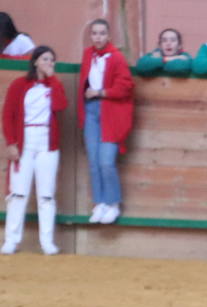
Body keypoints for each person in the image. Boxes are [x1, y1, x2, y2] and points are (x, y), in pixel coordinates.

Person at [3, 46, 66, 255]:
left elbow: (60, 105)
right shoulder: (19, 85)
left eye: (52, 60)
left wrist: (53, 79)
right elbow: (8, 115)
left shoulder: (54, 85)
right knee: (18, 193)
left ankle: (47, 242)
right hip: (24, 140)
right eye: (46, 59)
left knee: (46, 195)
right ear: (36, 61)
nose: (50, 63)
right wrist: (11, 143)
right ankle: (12, 240)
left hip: (47, 142)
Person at [80, 19, 134, 226]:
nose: (98, 37)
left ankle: (113, 203)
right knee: (93, 161)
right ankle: (99, 202)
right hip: (91, 109)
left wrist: (102, 92)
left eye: (102, 33)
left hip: (109, 110)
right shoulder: (88, 55)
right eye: (94, 33)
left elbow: (125, 86)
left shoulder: (117, 58)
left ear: (109, 36)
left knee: (106, 161)